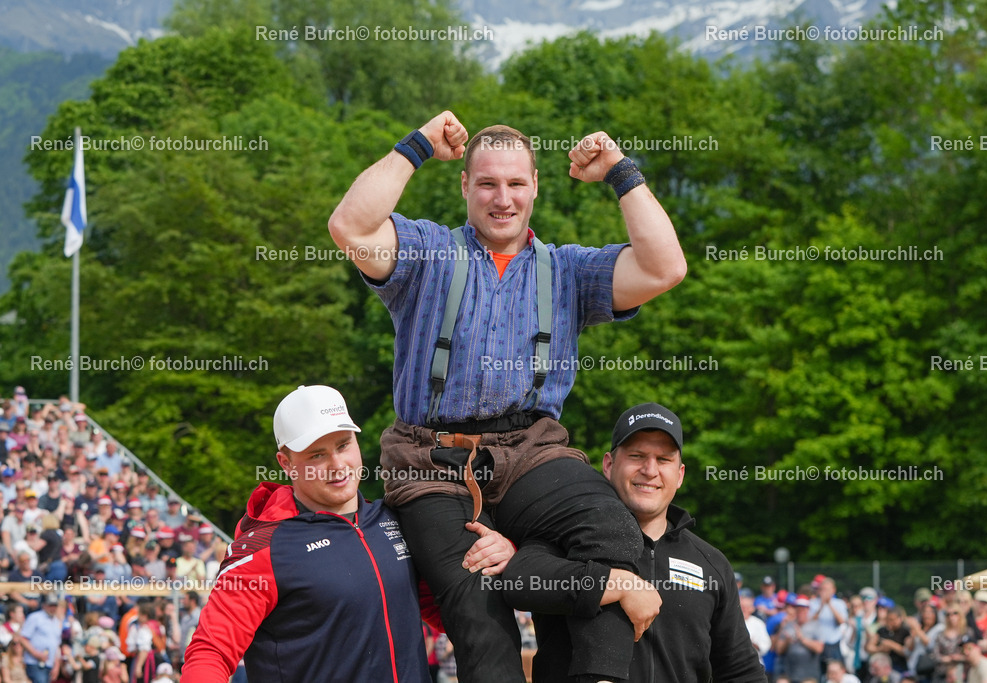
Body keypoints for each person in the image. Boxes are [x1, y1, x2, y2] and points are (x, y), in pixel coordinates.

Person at [328, 110, 686, 683]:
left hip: (532, 451)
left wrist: (620, 171)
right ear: (465, 185)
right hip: (430, 460)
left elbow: (665, 266)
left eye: (516, 183)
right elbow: (350, 224)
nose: (503, 199)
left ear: (535, 187)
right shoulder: (427, 253)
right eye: (488, 183)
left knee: (612, 531)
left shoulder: (568, 270)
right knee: (477, 608)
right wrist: (418, 145)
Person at [182, 385, 512, 682]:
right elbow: (210, 652)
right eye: (317, 455)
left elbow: (453, 611)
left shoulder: (395, 518)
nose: (338, 464)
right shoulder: (263, 549)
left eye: (343, 445)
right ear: (285, 463)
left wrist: (502, 554)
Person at [500, 403, 766, 683]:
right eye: (637, 456)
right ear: (608, 465)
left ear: (680, 475)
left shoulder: (711, 563)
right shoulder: (569, 533)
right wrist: (614, 583)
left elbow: (739, 670)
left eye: (663, 460)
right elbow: (519, 580)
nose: (650, 470)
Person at [17, 592, 63, 683]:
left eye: (55, 605)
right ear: (44, 605)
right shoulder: (35, 617)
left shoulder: (57, 621)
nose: (53, 608)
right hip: (34, 662)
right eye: (50, 605)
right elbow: (23, 638)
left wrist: (57, 665)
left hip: (49, 663)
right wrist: (36, 653)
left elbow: (56, 645)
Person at [777, 595, 825, 681]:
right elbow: (779, 650)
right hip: (790, 674)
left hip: (809, 676)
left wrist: (802, 639)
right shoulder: (788, 625)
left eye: (803, 609)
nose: (800, 612)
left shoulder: (816, 626)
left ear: (808, 610)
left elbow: (819, 648)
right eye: (798, 609)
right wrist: (787, 641)